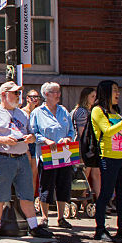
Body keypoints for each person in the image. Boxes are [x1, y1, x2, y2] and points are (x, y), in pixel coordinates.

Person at [0, 82, 54, 241]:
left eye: (19, 93)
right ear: (4, 95)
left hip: (21, 157)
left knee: (26, 193)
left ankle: (33, 226)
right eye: (14, 93)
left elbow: (32, 134)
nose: (18, 96)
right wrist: (4, 139)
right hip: (3, 157)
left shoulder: (22, 114)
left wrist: (30, 138)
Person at [91, 80, 122, 242]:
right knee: (105, 194)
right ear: (105, 92)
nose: (118, 94)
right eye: (114, 90)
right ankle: (100, 228)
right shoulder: (98, 111)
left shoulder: (115, 111)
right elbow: (108, 131)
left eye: (118, 90)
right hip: (108, 157)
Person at [29, 81, 75, 229]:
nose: (58, 95)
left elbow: (71, 131)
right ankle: (44, 217)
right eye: (55, 92)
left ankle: (61, 218)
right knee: (46, 185)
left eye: (59, 92)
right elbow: (33, 133)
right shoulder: (37, 113)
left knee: (63, 184)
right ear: (46, 95)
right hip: (46, 153)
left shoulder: (64, 111)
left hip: (64, 151)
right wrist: (46, 140)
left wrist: (68, 138)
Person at [71, 87, 101, 199]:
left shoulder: (90, 111)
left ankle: (98, 198)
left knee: (96, 173)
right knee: (84, 173)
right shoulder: (82, 111)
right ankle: (83, 199)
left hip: (91, 147)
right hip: (83, 147)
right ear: (85, 97)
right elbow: (82, 132)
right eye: (92, 96)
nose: (94, 99)